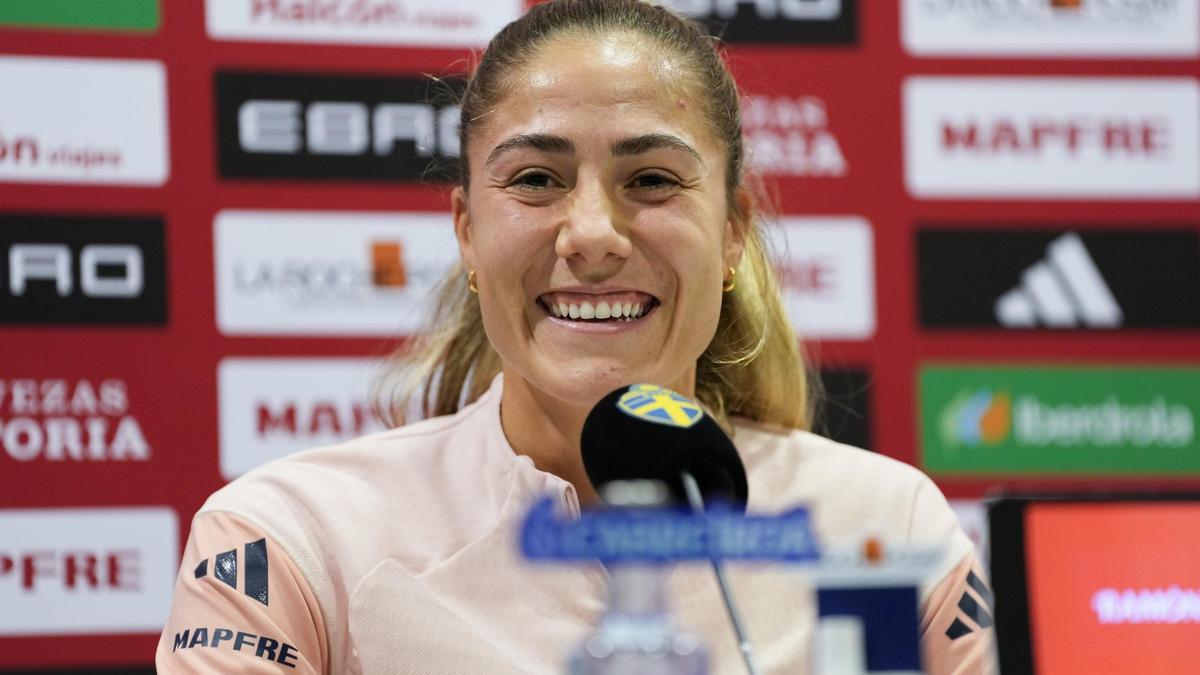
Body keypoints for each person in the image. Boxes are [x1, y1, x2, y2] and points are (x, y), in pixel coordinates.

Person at [156, 1, 996, 672]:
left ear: (733, 232)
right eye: (536, 179)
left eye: (652, 179)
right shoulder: (292, 538)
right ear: (467, 233)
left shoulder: (887, 528)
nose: (592, 233)